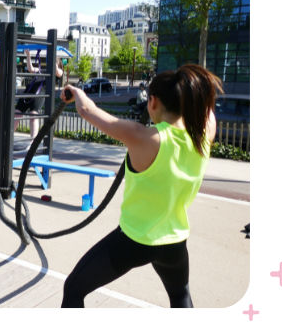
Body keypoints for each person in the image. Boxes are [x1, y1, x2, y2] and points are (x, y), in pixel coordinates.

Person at [59, 64, 223, 308]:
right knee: (180, 297)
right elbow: (207, 111)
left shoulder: (145, 137)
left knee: (73, 289)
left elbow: (87, 110)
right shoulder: (203, 137)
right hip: (175, 244)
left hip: (134, 242)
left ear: (153, 101)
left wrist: (73, 90)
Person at [14, 54, 64, 143]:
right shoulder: (43, 70)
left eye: (53, 61)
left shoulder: (57, 72)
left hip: (39, 93)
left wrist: (55, 63)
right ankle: (7, 138)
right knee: (16, 114)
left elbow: (59, 72)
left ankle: (32, 143)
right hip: (28, 91)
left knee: (33, 115)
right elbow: (31, 69)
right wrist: (28, 55)